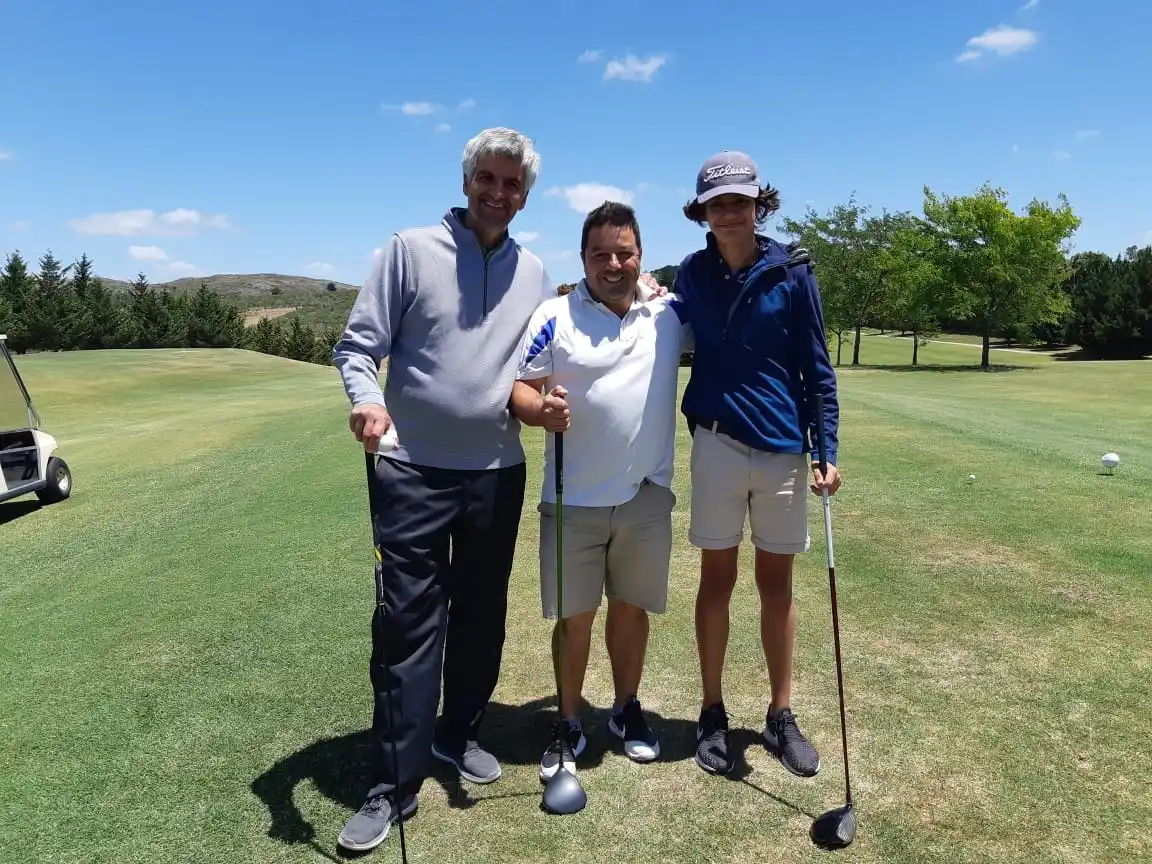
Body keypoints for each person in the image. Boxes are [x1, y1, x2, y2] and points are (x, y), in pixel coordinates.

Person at [330, 127, 555, 854]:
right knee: (407, 626)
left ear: (525, 195)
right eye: (487, 179)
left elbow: (541, 360)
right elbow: (359, 346)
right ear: (467, 183)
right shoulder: (409, 250)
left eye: (512, 185)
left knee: (483, 615)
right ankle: (393, 784)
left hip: (496, 471)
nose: (498, 193)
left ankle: (457, 733)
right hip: (411, 468)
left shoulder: (534, 271)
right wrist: (367, 399)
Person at [671, 150, 842, 780]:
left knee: (777, 585)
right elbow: (663, 315)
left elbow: (817, 369)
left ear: (757, 204)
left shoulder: (792, 271)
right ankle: (712, 711)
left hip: (782, 450)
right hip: (716, 442)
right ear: (703, 213)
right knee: (717, 579)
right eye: (718, 204)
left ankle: (780, 714)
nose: (730, 213)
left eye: (740, 201)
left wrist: (827, 450)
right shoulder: (692, 272)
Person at [510, 201, 692, 782]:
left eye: (625, 253)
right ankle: (567, 720)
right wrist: (541, 410)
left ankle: (624, 709)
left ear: (641, 255)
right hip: (572, 499)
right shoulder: (554, 314)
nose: (613, 264)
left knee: (632, 612)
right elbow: (520, 387)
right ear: (583, 258)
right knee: (574, 618)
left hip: (644, 496)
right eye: (601, 255)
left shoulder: (669, 314)